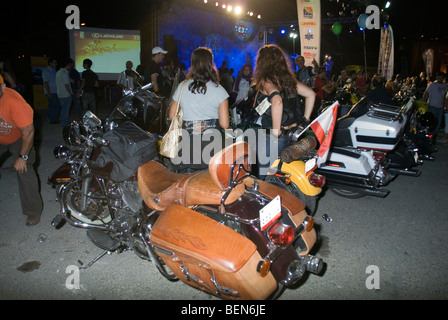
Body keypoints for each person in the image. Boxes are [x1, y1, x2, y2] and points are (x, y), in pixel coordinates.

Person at [251, 44, 316, 178]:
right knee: (278, 172)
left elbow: (277, 100)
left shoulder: (267, 81)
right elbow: (311, 94)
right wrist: (305, 121)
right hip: (291, 134)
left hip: (273, 137)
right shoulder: (289, 80)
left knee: (260, 176)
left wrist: (276, 130)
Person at [168, 47, 229, 171]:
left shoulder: (182, 86)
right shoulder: (220, 90)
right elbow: (224, 123)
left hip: (187, 148)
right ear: (211, 63)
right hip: (211, 149)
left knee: (187, 186)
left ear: (193, 64)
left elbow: (171, 115)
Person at [0, 74, 43, 226]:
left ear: (3, 87)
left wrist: (22, 157)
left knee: (24, 169)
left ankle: (33, 210)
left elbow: (29, 132)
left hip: (18, 138)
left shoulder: (14, 102)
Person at [423, 72, 447, 139]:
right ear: (436, 78)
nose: (440, 79)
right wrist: (423, 102)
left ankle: (435, 134)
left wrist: (444, 103)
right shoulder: (433, 84)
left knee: (438, 121)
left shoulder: (444, 85)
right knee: (432, 121)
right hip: (432, 105)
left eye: (441, 78)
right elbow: (426, 93)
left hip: (440, 107)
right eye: (439, 78)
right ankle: (430, 133)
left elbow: (444, 95)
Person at [42, 57, 60, 123]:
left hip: (56, 91)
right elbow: (46, 83)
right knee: (52, 106)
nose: (56, 64)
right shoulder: (46, 71)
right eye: (54, 63)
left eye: (56, 63)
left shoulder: (54, 70)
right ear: (50, 63)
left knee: (57, 106)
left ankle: (54, 119)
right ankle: (52, 120)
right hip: (50, 91)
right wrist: (48, 93)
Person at [56, 58, 74, 126]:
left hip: (60, 93)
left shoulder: (58, 72)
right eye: (70, 65)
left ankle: (64, 122)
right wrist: (70, 93)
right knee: (65, 110)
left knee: (63, 109)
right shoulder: (64, 73)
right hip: (66, 94)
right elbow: (66, 85)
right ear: (68, 64)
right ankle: (65, 123)